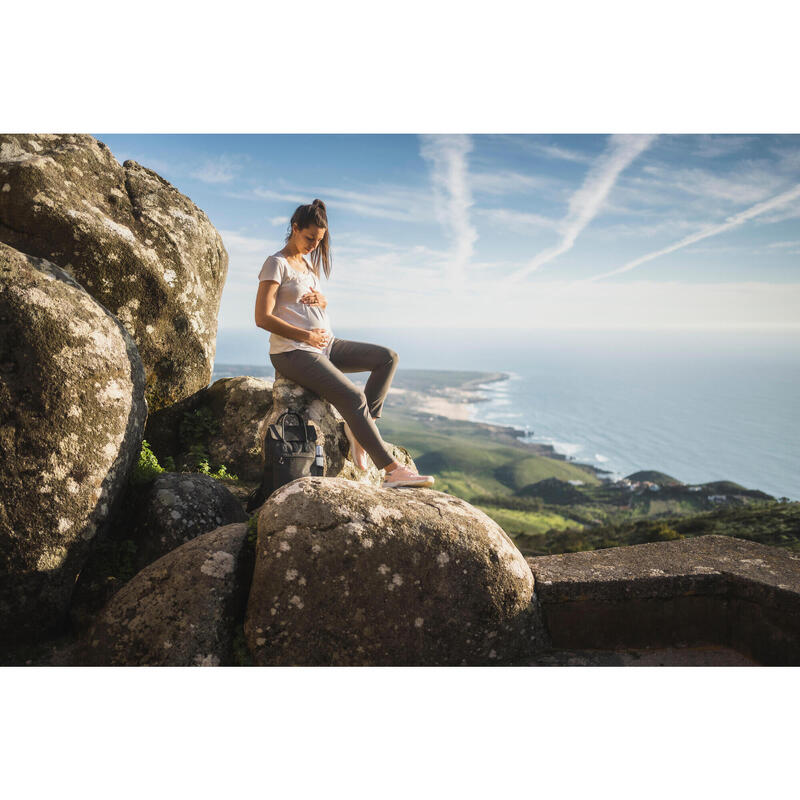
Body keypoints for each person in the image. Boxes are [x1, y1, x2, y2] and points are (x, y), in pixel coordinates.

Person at [254, 199, 435, 489]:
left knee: (387, 357)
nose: (314, 244)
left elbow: (307, 305)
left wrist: (322, 302)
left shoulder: (308, 265)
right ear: (295, 228)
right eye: (310, 237)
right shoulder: (276, 263)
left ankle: (363, 427)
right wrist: (305, 336)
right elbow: (262, 317)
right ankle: (392, 470)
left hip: (326, 345)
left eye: (319, 240)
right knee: (353, 398)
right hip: (293, 352)